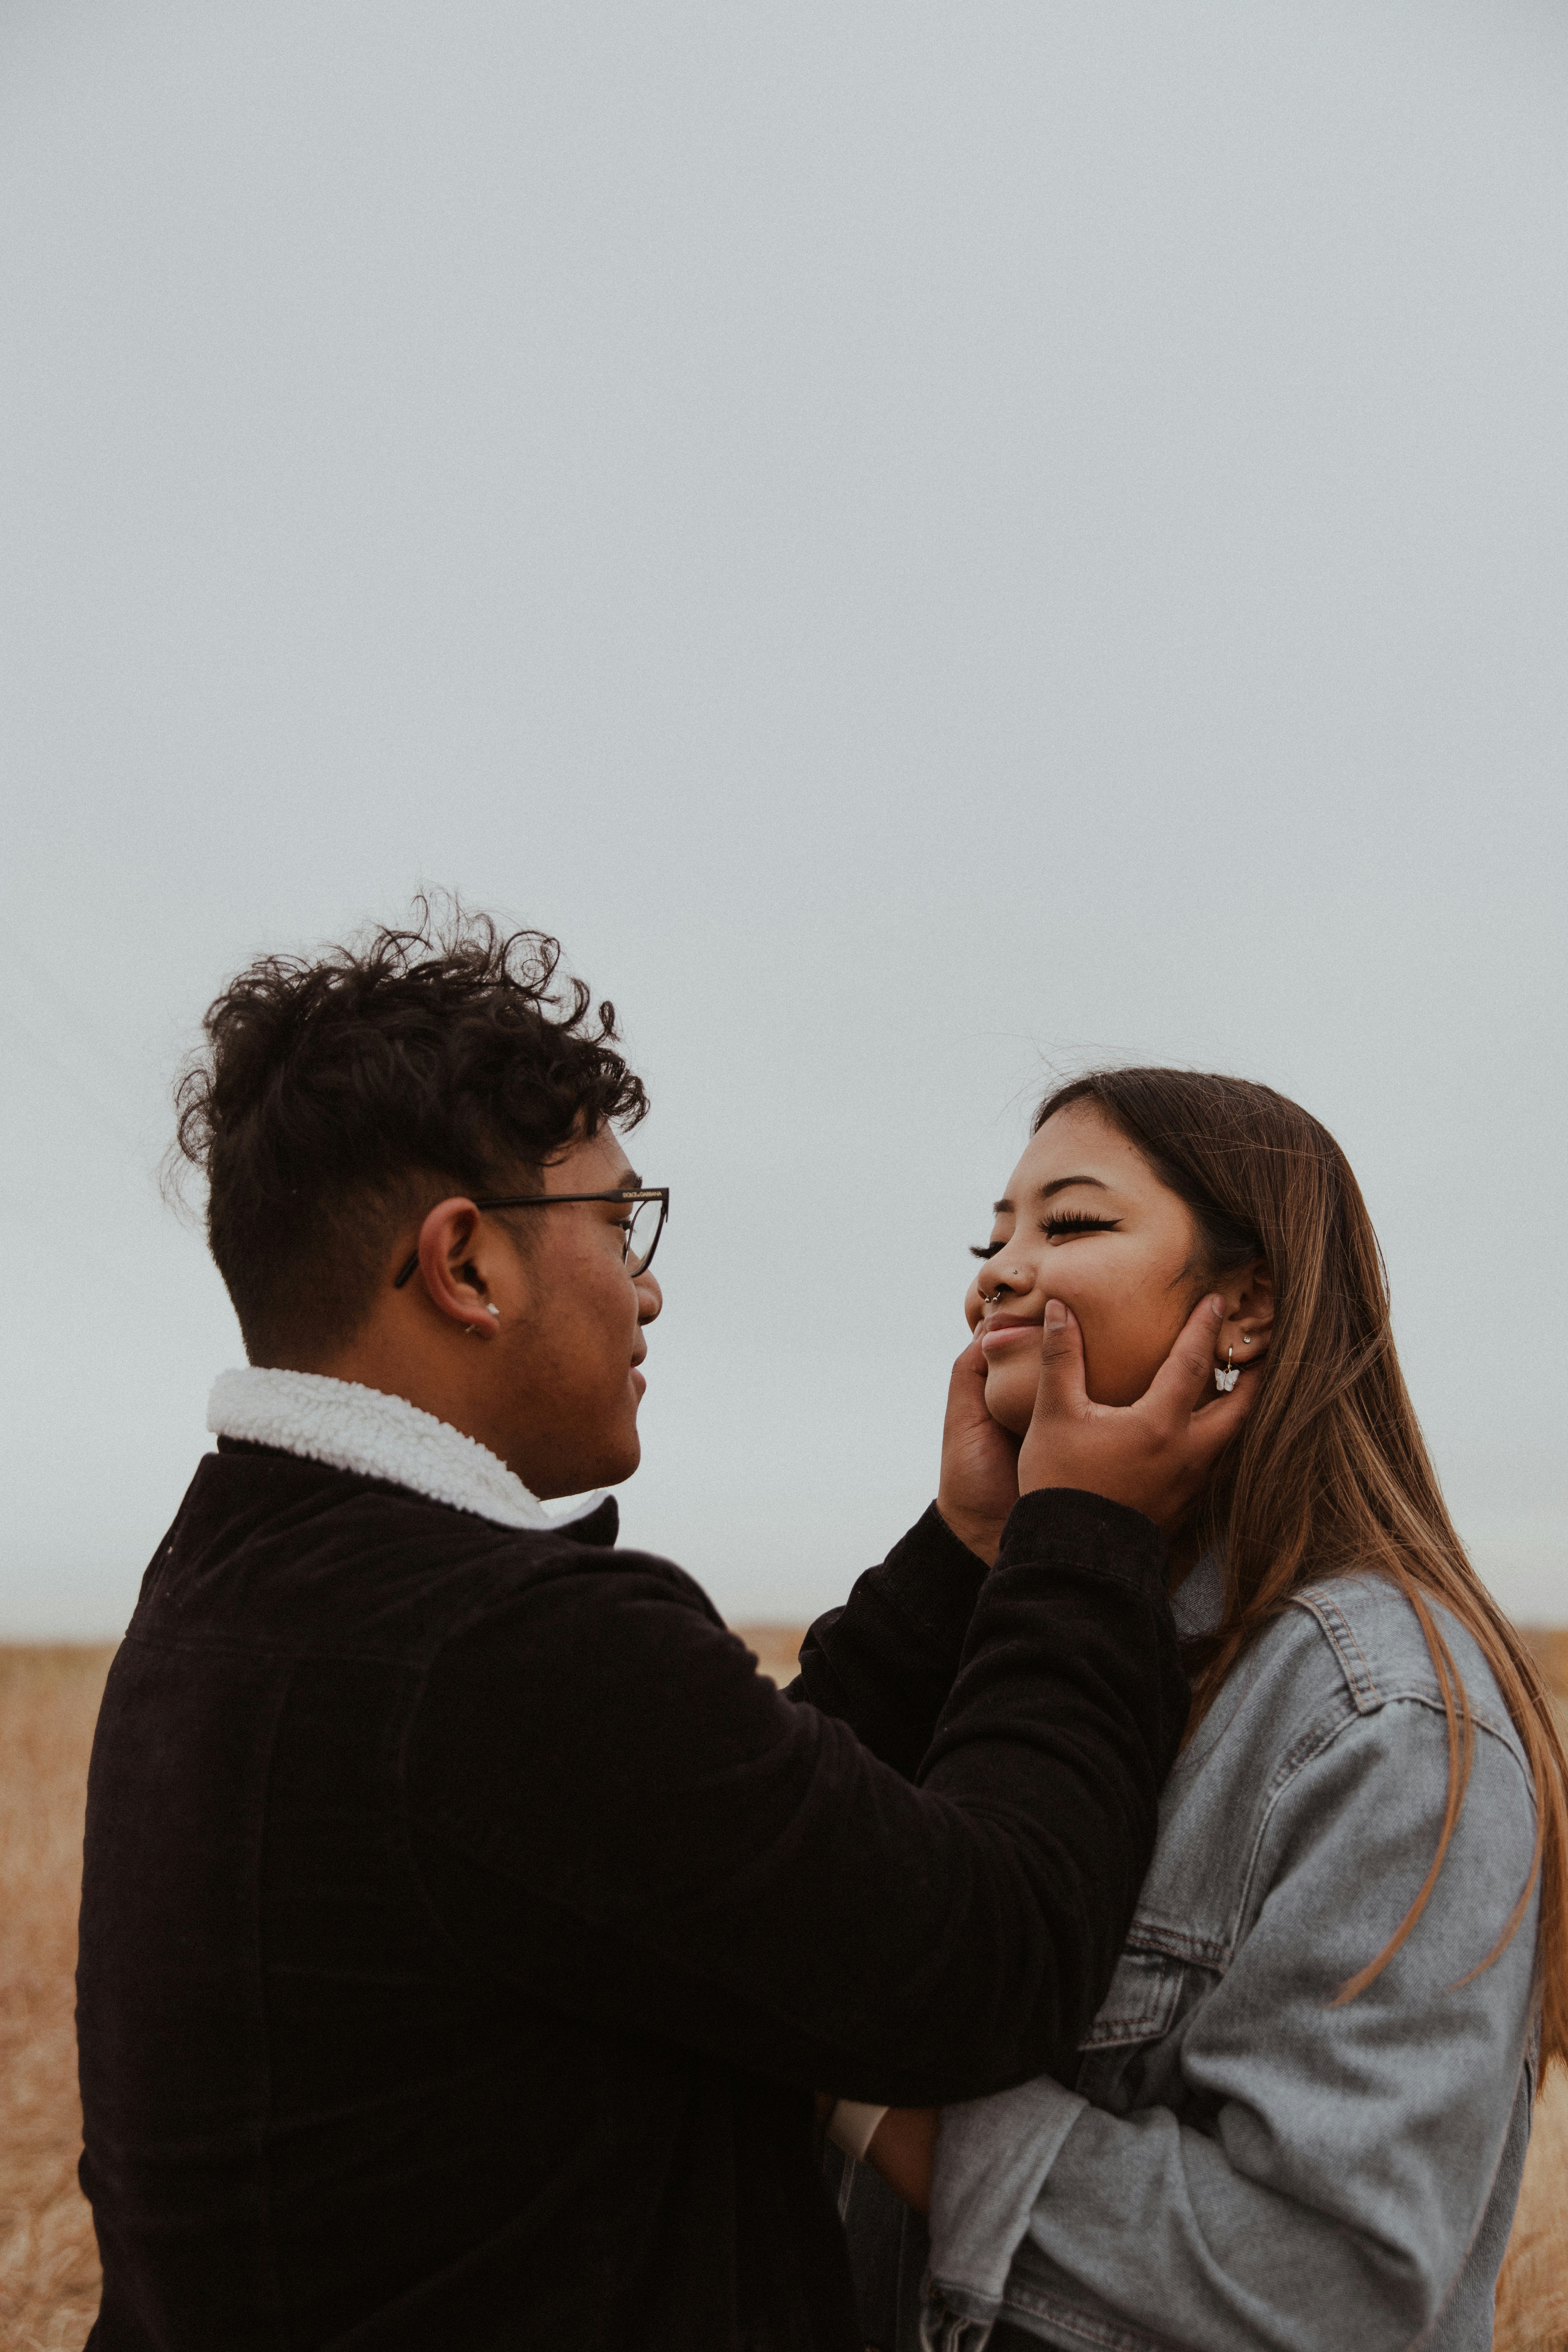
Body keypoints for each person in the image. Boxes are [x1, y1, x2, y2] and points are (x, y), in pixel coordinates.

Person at [74, 914, 1254, 2352]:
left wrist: (966, 1554)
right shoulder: (495, 1653)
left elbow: (726, 1847)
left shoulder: (240, 1588)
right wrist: (1090, 1548)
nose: (646, 1285)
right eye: (617, 1222)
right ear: (467, 1266)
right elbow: (980, 1963)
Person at [830, 1068, 1568, 2352]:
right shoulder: (1030, 1644)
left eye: (1067, 1226)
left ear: (1248, 1307)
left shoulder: (1384, 1718)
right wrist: (983, 1544)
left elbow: (1334, 2287)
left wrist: (879, 2099)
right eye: (989, 1235)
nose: (995, 1274)